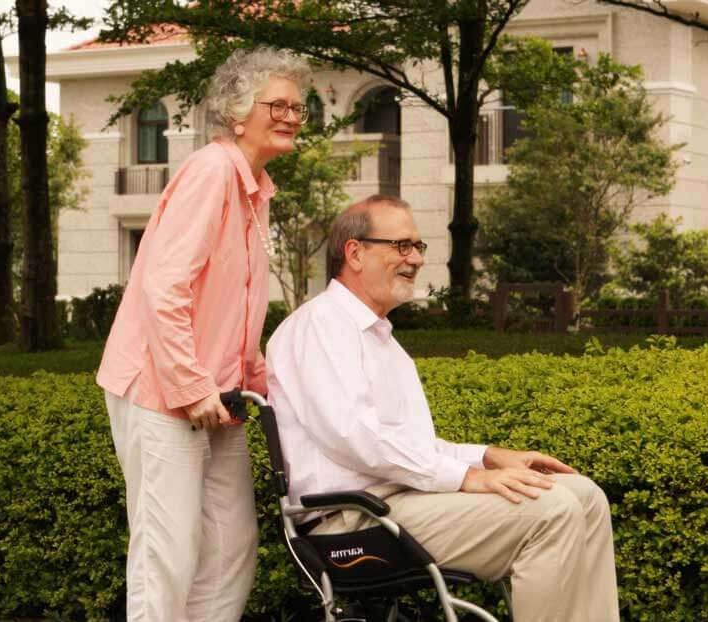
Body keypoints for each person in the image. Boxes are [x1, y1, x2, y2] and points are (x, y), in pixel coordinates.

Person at [266, 195, 620, 622]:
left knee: (584, 496)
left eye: (418, 247)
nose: (414, 259)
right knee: (551, 512)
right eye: (401, 246)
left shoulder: (381, 341)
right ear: (355, 252)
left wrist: (487, 456)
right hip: (351, 522)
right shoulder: (320, 325)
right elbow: (357, 440)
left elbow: (408, 446)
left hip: (398, 503)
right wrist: (469, 478)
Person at [96, 47, 311, 621]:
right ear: (237, 112)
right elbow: (163, 289)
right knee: (167, 550)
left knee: (230, 546)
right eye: (279, 104)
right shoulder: (212, 170)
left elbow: (235, 312)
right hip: (165, 389)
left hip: (220, 396)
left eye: (300, 107)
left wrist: (268, 383)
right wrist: (191, 386)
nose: (292, 115)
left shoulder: (257, 188)